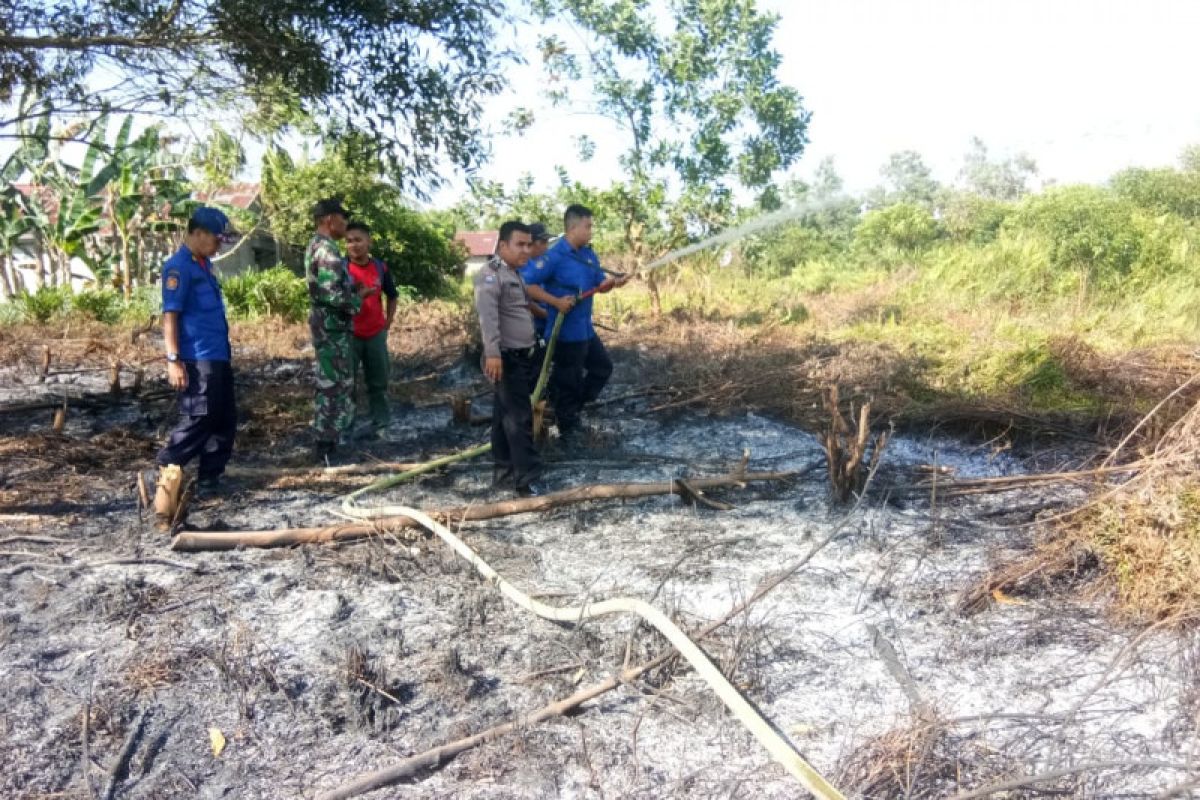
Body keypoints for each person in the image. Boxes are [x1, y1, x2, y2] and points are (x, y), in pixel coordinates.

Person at [522, 204, 628, 445]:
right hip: (564, 336)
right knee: (569, 381)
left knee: (603, 368)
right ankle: (567, 431)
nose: (591, 231)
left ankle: (569, 409)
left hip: (585, 331)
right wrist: (555, 302)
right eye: (587, 226)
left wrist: (613, 283)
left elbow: (599, 283)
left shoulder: (589, 255)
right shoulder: (554, 256)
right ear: (572, 227)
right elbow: (527, 284)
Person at [155, 207, 237, 495]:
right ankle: (168, 466)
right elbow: (170, 316)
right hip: (196, 357)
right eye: (216, 240)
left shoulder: (204, 266)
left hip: (217, 354)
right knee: (199, 417)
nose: (218, 246)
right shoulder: (178, 267)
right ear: (198, 233)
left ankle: (210, 479)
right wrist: (173, 360)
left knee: (224, 418)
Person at [474, 221, 545, 497]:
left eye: (529, 244)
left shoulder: (513, 273)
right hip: (505, 357)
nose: (526, 250)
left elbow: (521, 308)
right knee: (519, 418)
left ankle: (503, 473)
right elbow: (488, 318)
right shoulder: (491, 275)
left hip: (518, 356)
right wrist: (493, 354)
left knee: (503, 418)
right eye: (520, 244)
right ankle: (527, 480)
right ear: (503, 245)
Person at [306, 198, 371, 462]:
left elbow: (329, 288)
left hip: (328, 327)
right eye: (342, 218)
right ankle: (326, 446)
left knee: (331, 383)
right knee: (334, 385)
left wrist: (352, 289)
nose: (345, 224)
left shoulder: (317, 246)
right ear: (329, 220)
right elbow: (332, 295)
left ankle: (329, 442)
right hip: (332, 329)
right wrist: (357, 299)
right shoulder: (328, 251)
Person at [344, 221, 399, 438]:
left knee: (378, 381)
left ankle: (382, 423)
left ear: (369, 241)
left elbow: (392, 295)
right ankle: (346, 427)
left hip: (375, 333)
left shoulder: (380, 267)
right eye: (349, 241)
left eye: (358, 240)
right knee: (348, 383)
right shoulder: (341, 268)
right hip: (349, 334)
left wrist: (388, 323)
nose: (354, 245)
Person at [524, 222, 553, 377]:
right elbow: (524, 300)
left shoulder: (541, 262)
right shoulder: (521, 265)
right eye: (542, 242)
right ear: (531, 243)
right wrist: (545, 313)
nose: (546, 247)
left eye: (547, 242)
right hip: (533, 328)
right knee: (534, 369)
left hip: (546, 323)